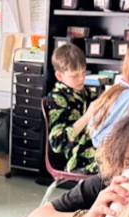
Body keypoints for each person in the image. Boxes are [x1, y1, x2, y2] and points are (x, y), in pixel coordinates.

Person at [46, 43, 98, 175]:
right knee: (115, 165)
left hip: (95, 146)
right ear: (59, 76)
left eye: (83, 72)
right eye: (75, 76)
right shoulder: (57, 99)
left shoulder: (87, 94)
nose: (81, 78)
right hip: (76, 158)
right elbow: (57, 143)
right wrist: (87, 116)